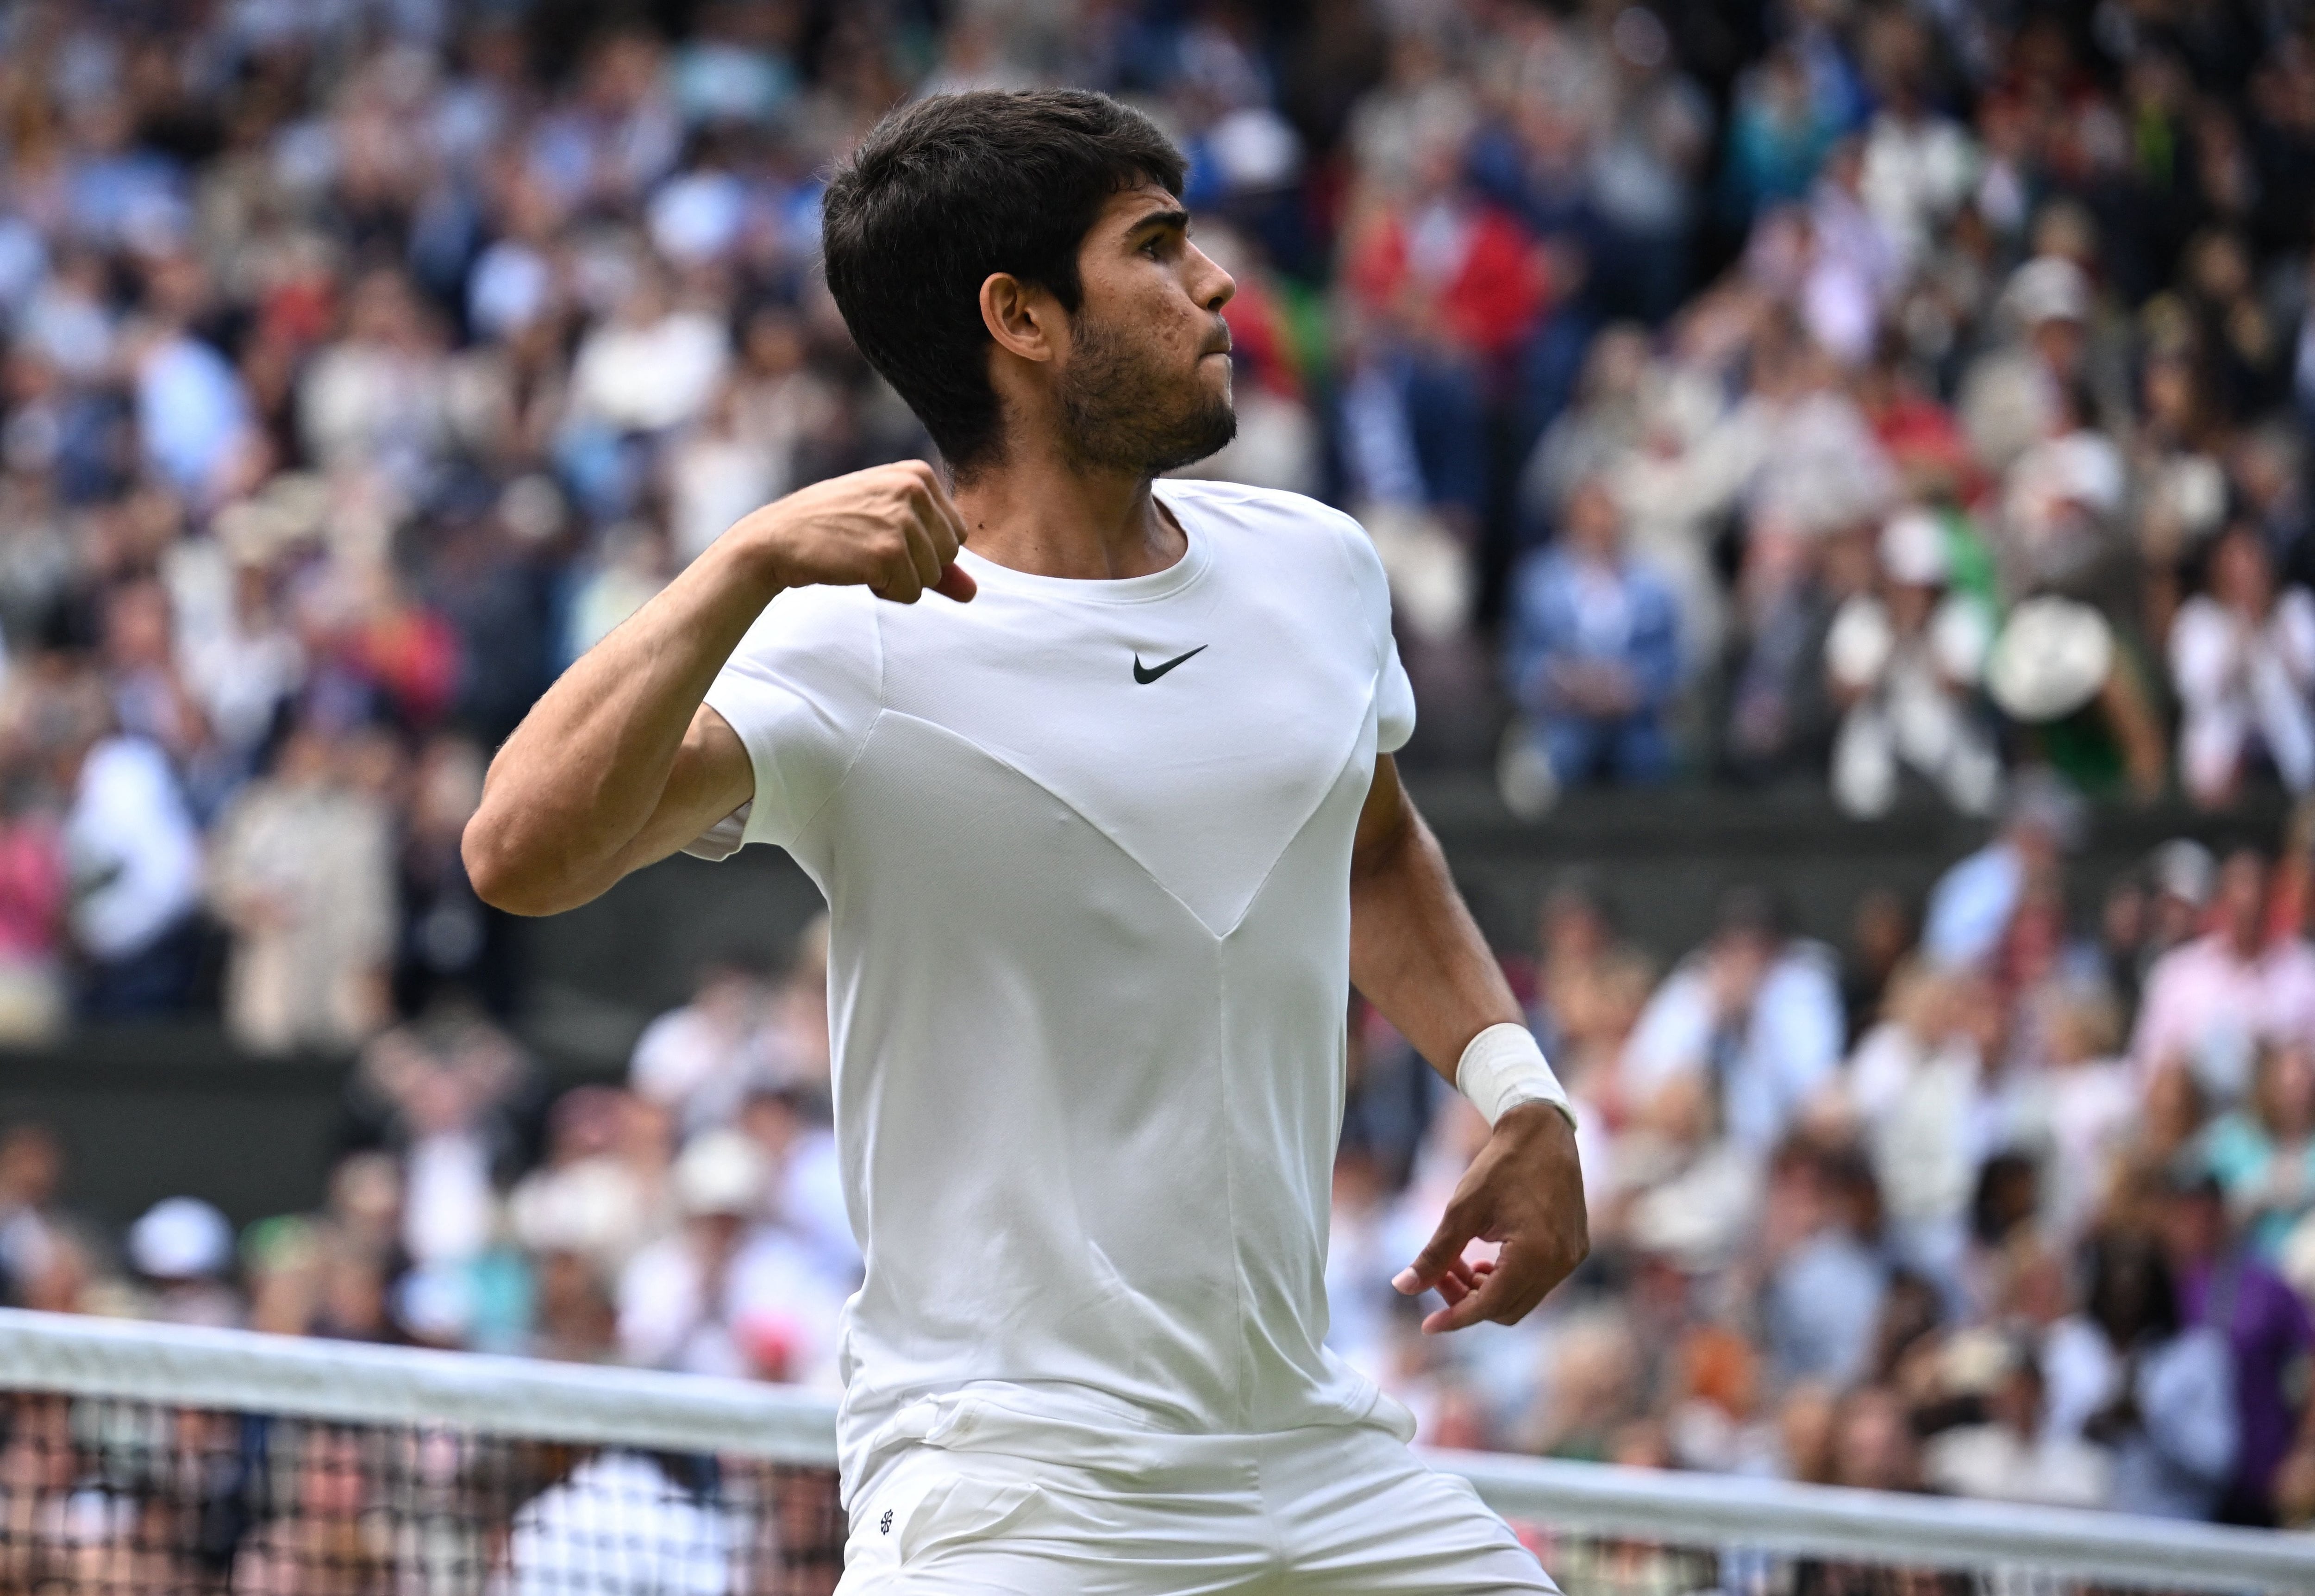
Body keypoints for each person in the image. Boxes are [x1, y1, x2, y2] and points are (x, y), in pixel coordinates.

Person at [463, 90, 1585, 1593]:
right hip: (1010, 1488)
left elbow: (1369, 847)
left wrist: (1518, 1092)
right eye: (1158, 248)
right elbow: (518, 853)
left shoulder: (1319, 567)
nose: (1217, 285)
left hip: (1308, 1456)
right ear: (1023, 318)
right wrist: (736, 563)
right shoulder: (843, 644)